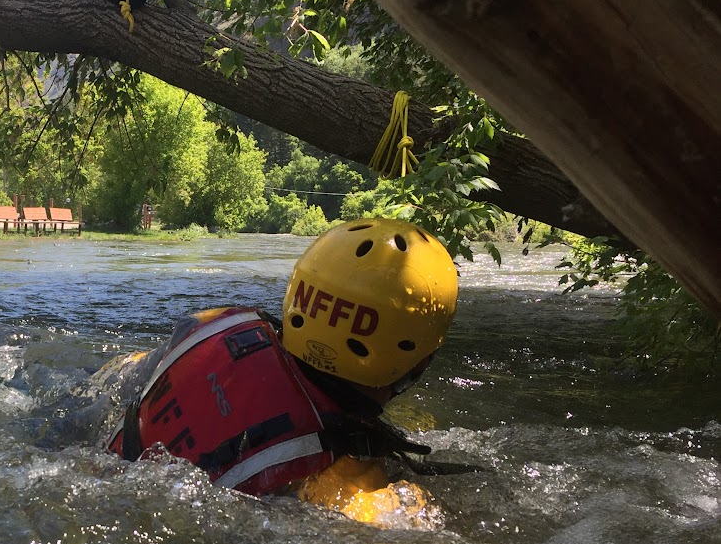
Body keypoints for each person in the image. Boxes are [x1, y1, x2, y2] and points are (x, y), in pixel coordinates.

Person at [103, 218, 459, 526]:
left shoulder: (217, 323)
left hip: (100, 467)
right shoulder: (352, 487)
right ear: (422, 359)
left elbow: (122, 375)